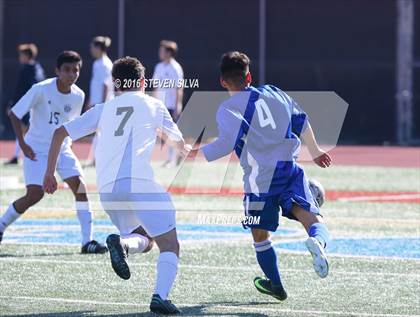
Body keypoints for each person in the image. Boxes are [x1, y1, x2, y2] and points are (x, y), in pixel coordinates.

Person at [44, 56, 185, 314]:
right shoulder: (153, 104)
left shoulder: (102, 108)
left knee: (144, 237)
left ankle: (123, 245)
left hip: (108, 190)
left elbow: (59, 133)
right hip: (140, 184)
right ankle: (160, 297)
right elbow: (180, 145)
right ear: (143, 81)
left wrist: (49, 173)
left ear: (116, 83)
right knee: (170, 244)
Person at [188, 51, 332, 301]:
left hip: (259, 181)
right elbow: (302, 120)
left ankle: (276, 284)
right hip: (289, 170)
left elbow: (226, 144)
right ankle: (318, 242)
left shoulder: (228, 109)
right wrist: (316, 150)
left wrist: (196, 153)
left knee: (260, 235)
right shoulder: (274, 92)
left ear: (222, 81)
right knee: (311, 217)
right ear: (249, 76)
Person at [0, 51, 108, 254]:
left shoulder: (79, 95)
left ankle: (87, 242)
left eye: (75, 70)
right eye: (66, 70)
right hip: (36, 150)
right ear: (57, 70)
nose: (71, 74)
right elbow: (14, 113)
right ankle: (1, 226)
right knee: (34, 194)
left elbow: (69, 127)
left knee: (81, 188)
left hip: (63, 149)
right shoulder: (41, 89)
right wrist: (22, 144)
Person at [5, 43, 45, 165]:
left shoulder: (27, 68)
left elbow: (22, 89)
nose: (19, 57)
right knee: (25, 131)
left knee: (26, 131)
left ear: (27, 55)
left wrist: (14, 105)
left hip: (28, 105)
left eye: (21, 55)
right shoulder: (38, 67)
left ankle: (26, 155)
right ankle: (17, 156)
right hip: (36, 104)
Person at [152, 40, 184, 167]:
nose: (160, 53)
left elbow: (179, 88)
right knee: (163, 134)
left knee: (171, 133)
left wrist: (178, 106)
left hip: (170, 105)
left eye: (163, 51)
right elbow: (155, 86)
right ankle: (173, 157)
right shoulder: (158, 67)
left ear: (169, 52)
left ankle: (173, 159)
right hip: (160, 105)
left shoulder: (175, 68)